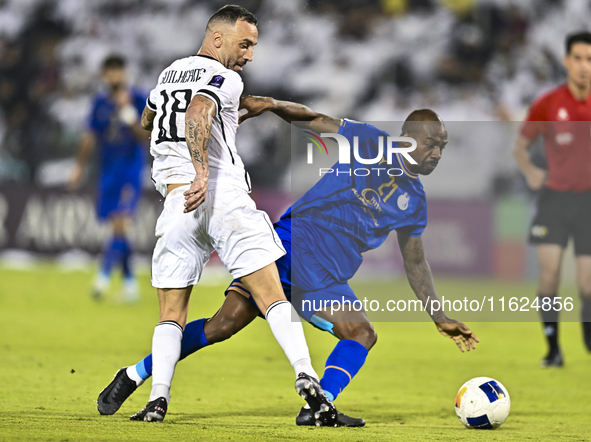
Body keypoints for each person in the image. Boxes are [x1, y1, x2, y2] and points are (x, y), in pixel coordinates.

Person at [97, 97, 479, 427]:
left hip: (327, 277)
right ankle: (134, 374)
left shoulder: (414, 201)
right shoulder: (372, 142)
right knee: (223, 325)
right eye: (432, 144)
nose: (437, 154)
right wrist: (275, 105)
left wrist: (439, 315)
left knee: (361, 333)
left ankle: (320, 405)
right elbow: (315, 120)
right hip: (289, 247)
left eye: (442, 148)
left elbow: (416, 264)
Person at [125, 5, 333, 424]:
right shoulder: (225, 78)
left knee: (171, 313)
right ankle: (307, 376)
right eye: (245, 44)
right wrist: (203, 169)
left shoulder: (167, 75)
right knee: (271, 294)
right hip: (220, 196)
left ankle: (157, 400)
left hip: (177, 203)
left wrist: (214, 130)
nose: (250, 55)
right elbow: (200, 109)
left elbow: (148, 119)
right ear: (218, 39)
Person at [513, 31, 591, 368]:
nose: (584, 66)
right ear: (566, 61)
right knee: (550, 276)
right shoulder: (549, 102)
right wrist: (530, 170)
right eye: (578, 58)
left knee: (588, 281)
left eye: (589, 59)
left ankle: (588, 344)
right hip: (554, 201)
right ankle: (553, 350)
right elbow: (520, 147)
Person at [69, 55, 148, 302]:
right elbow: (89, 137)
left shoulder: (138, 99)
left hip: (130, 170)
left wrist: (128, 112)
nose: (115, 76)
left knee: (120, 223)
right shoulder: (99, 103)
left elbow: (145, 136)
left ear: (124, 73)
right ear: (104, 75)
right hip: (107, 172)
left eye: (118, 71)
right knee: (118, 228)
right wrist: (79, 167)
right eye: (110, 71)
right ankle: (130, 284)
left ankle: (103, 277)